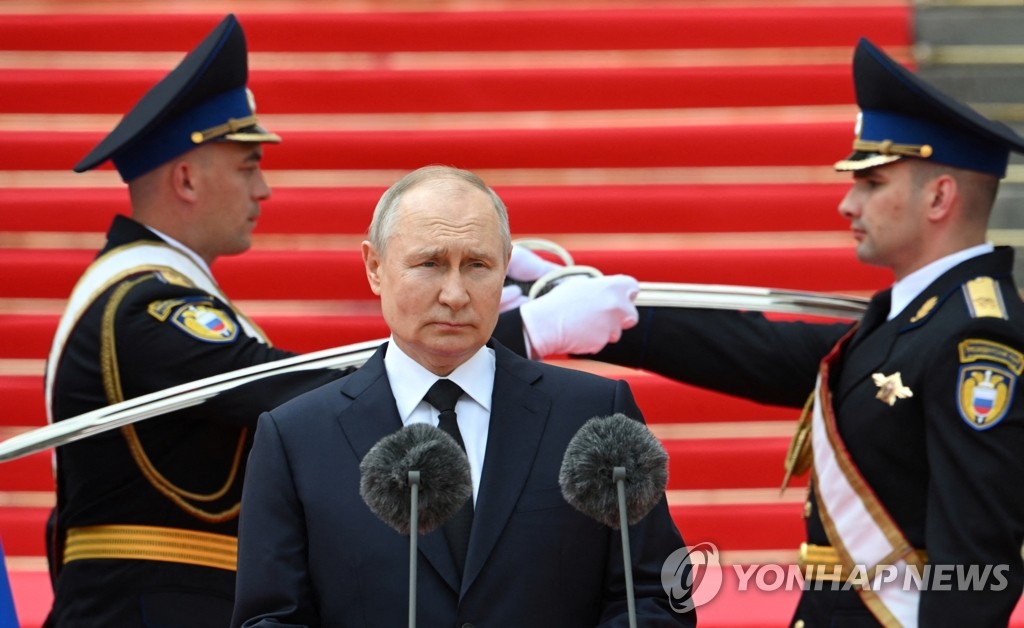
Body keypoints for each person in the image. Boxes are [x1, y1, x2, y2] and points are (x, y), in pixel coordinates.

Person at [43, 15, 640, 628]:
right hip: (144, 608)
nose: (265, 189)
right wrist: (520, 335)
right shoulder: (146, 305)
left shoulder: (152, 292)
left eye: (477, 266)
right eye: (248, 165)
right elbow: (308, 394)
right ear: (187, 177)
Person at [584, 38, 1024, 626]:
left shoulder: (978, 338)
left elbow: (977, 564)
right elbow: (762, 352)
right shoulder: (915, 317)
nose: (848, 203)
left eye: (872, 184)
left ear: (939, 197)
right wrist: (610, 317)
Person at [230, 165, 693, 627]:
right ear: (375, 267)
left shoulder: (593, 414)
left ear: (505, 267)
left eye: (477, 265)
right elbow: (271, 617)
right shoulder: (296, 438)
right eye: (429, 263)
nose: (455, 294)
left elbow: (655, 596)